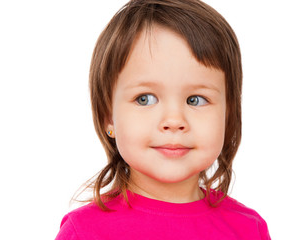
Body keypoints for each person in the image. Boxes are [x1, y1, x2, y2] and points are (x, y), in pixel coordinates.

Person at [56, 0, 271, 239]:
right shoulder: (85, 231)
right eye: (145, 99)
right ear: (109, 117)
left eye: (195, 100)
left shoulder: (248, 229)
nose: (174, 120)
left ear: (228, 115)